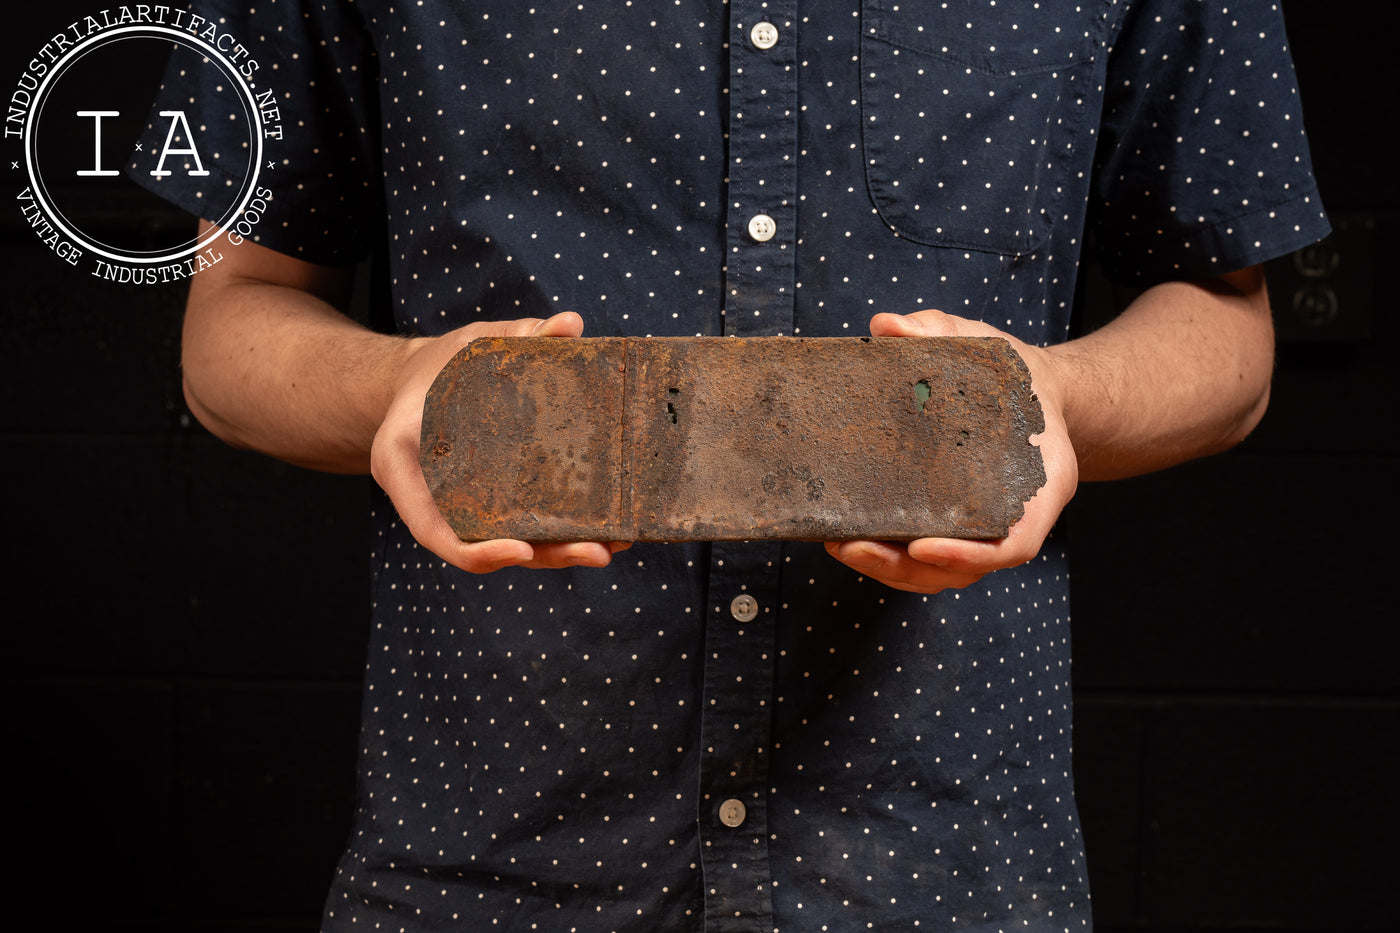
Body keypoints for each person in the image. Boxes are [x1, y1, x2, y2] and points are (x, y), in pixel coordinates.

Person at [147, 0, 1328, 929]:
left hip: (944, 876)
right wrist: (397, 392)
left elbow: (1224, 325)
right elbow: (232, 324)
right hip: (484, 871)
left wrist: (1057, 401)